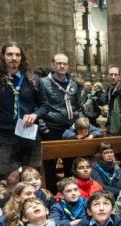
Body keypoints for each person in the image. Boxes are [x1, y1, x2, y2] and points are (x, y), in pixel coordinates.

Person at [0, 42, 45, 174]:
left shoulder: (33, 79)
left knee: (30, 176)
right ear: (3, 56)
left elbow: (45, 105)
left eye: (17, 54)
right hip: (6, 134)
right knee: (12, 178)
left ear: (22, 57)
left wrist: (35, 115)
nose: (14, 58)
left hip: (30, 132)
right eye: (10, 54)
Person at [37, 53, 81, 194]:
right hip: (51, 129)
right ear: (53, 65)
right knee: (49, 166)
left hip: (69, 129)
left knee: (70, 165)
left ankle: (69, 195)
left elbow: (77, 106)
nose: (62, 66)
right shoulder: (43, 82)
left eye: (65, 63)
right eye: (59, 63)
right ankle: (51, 195)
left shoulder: (73, 84)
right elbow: (38, 106)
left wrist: (77, 124)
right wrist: (43, 127)